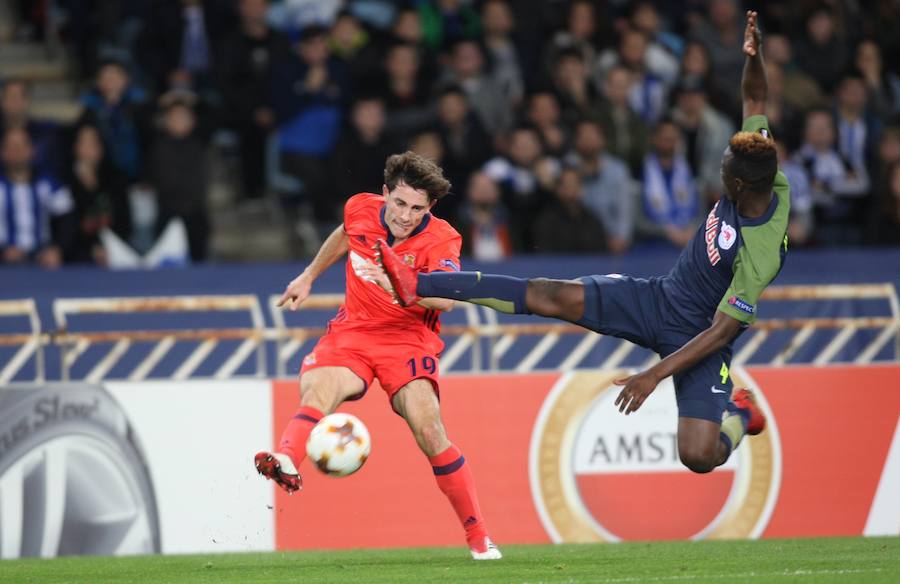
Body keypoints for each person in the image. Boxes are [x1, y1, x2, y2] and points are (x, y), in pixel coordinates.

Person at [376, 12, 782, 477]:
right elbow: (755, 95)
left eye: (723, 169)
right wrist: (755, 55)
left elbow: (722, 333)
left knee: (698, 456)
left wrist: (652, 376)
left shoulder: (762, 251)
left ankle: (739, 414)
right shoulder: (760, 158)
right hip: (659, 297)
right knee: (551, 295)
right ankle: (419, 282)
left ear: (738, 183)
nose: (718, 171)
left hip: (701, 339)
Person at [255, 152, 502, 561]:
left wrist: (401, 283)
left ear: (431, 208)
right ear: (385, 194)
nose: (405, 216)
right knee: (319, 387)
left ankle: (478, 538)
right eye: (399, 203)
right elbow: (345, 234)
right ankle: (287, 457)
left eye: (417, 208)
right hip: (353, 331)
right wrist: (308, 276)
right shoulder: (361, 207)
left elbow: (448, 299)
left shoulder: (442, 239)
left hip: (407, 340)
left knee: (430, 430)